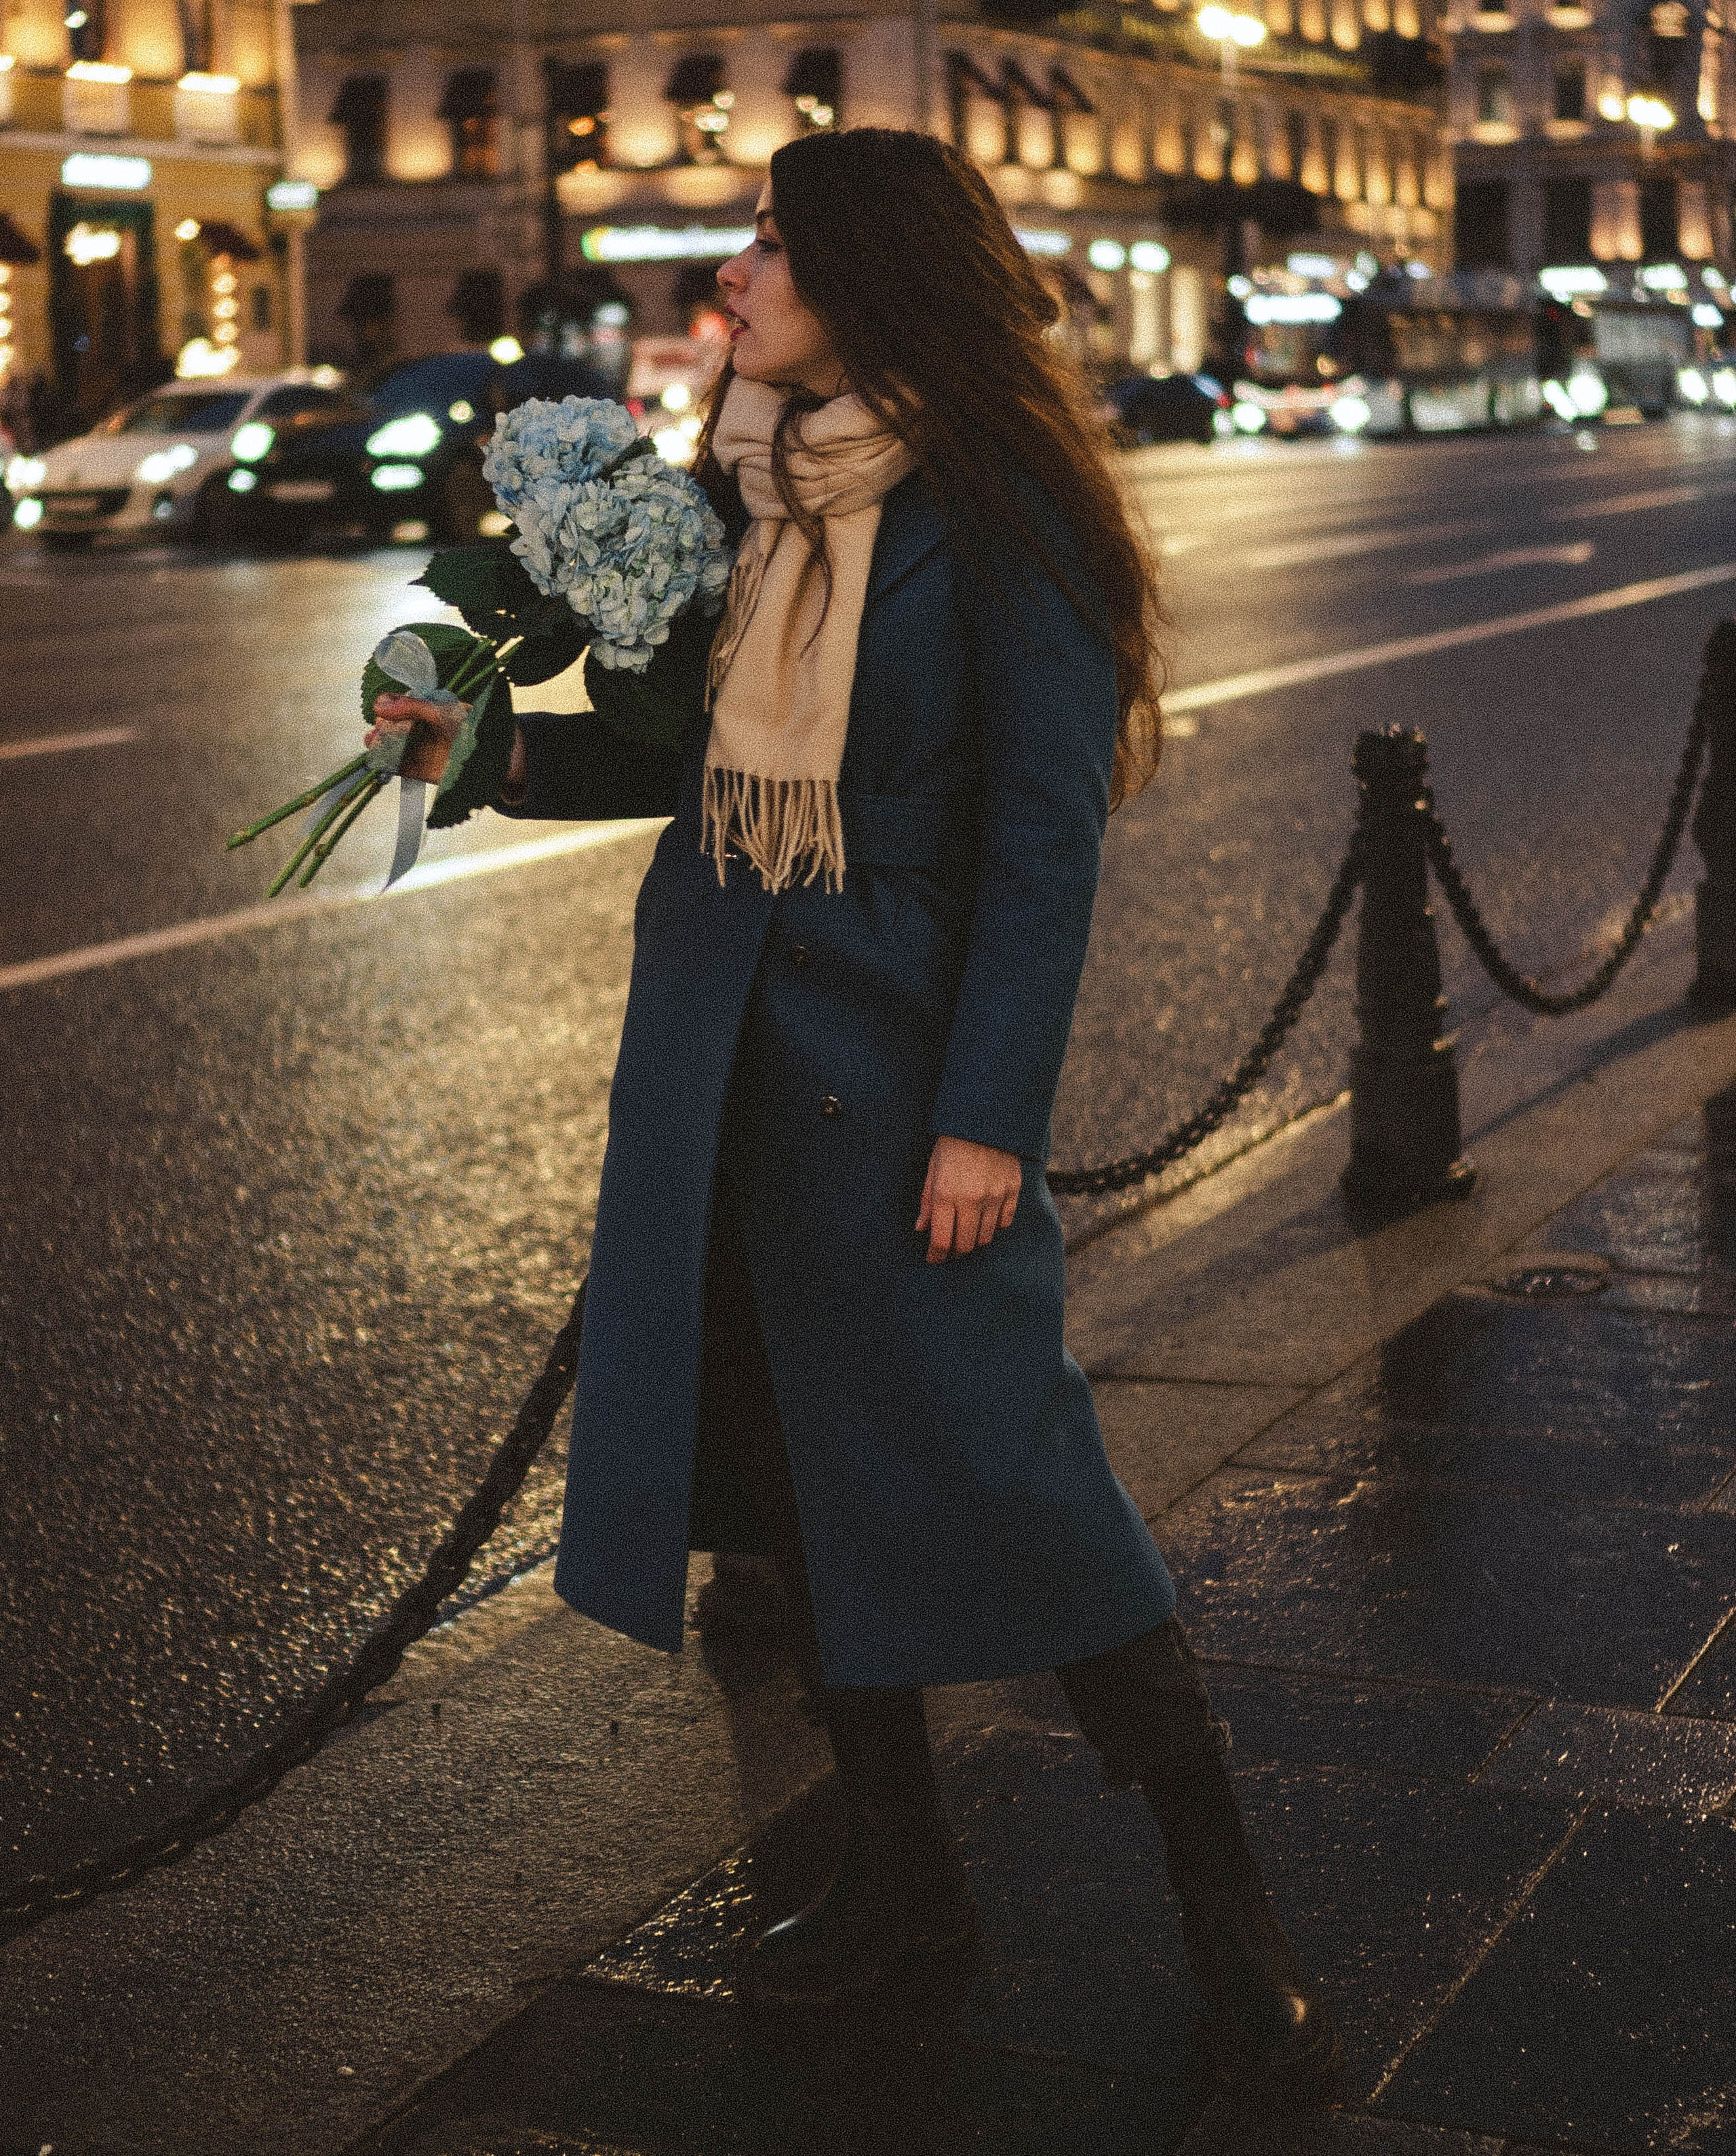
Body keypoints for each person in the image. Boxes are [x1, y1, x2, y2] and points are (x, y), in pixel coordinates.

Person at [370, 129, 1340, 2110]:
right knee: (812, 1503)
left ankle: (1225, 1903)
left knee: (1020, 1483)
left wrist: (987, 1116)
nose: (737, 277)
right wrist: (473, 741)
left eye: (772, 249)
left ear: (871, 277)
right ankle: (906, 1888)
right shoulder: (750, 487)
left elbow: (1039, 842)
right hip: (725, 1055)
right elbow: (695, 768)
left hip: (897, 1077)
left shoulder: (999, 506)